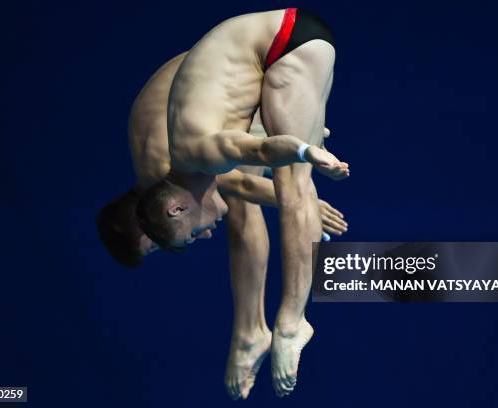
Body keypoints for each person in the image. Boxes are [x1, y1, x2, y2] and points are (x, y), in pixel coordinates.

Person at [96, 50, 348, 399]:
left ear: (147, 219)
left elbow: (242, 187)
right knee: (240, 197)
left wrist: (304, 196)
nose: (164, 241)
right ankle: (252, 329)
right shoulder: (151, 170)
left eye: (154, 241)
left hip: (252, 67)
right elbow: (239, 181)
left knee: (239, 206)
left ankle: (253, 330)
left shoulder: (161, 173)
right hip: (241, 82)